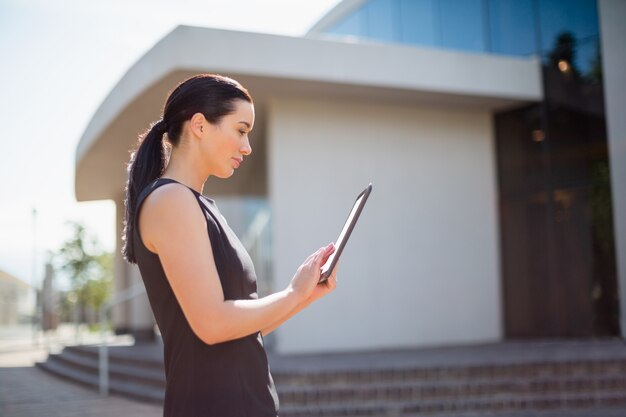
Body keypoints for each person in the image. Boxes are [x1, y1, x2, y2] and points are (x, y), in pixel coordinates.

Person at [122, 73, 338, 417]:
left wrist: (304, 295)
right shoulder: (171, 200)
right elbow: (211, 325)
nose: (247, 146)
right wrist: (293, 294)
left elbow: (239, 329)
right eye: (241, 130)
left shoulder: (198, 204)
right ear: (199, 125)